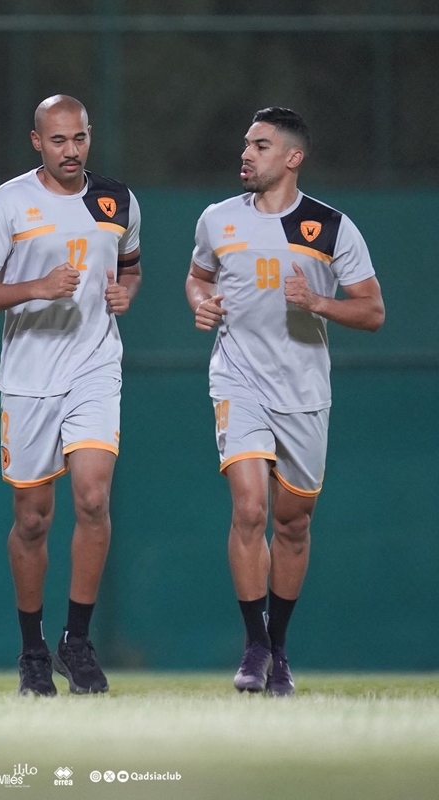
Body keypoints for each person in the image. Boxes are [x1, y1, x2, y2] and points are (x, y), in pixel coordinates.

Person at [186, 107, 384, 696]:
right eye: (247, 144)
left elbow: (373, 311)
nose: (246, 154)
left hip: (303, 392)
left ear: (293, 158)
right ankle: (254, 645)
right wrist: (201, 301)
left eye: (262, 146)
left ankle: (278, 648)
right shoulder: (218, 219)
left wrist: (319, 303)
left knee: (292, 524)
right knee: (249, 509)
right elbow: (198, 277)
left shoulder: (330, 226)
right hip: (238, 379)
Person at [0, 95, 141, 697]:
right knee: (33, 519)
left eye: (79, 138)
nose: (71, 150)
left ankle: (77, 641)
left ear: (90, 137)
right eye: (58, 140)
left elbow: (131, 267)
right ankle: (33, 650)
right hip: (28, 378)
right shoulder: (6, 203)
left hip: (95, 366)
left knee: (93, 497)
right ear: (37, 142)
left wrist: (126, 292)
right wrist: (35, 287)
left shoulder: (116, 201)